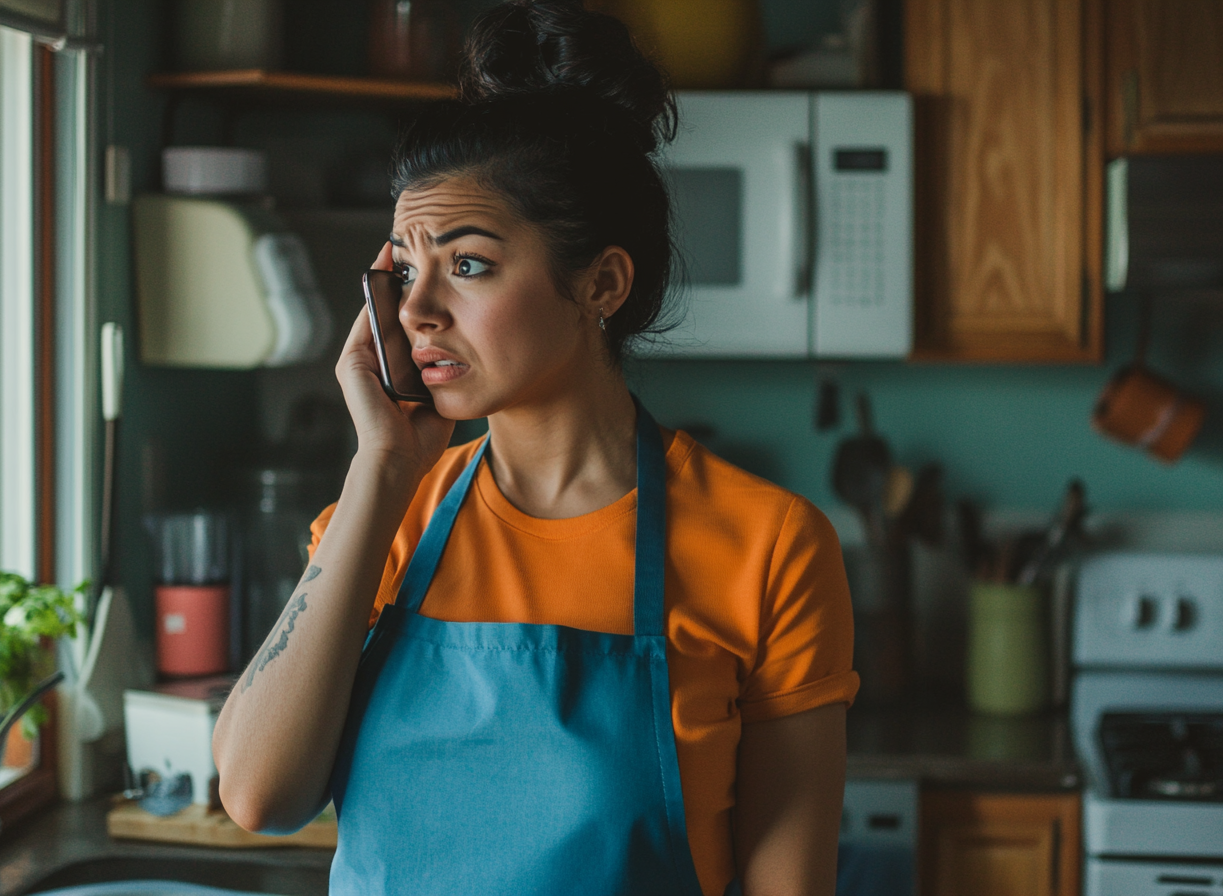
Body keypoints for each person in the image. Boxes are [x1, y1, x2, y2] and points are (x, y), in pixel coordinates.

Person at [211, 2, 859, 894]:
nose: (415, 310)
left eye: (467, 264)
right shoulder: (383, 523)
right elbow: (256, 794)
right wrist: (380, 468)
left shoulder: (769, 548)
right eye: (403, 269)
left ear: (601, 282)